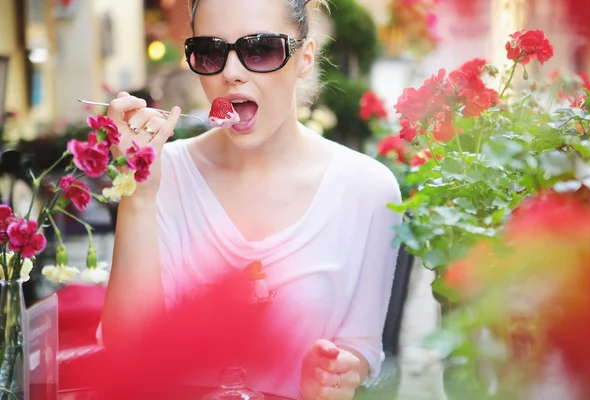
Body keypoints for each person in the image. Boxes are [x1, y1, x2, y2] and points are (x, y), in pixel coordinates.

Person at [101, 0, 402, 398]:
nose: (230, 73)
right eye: (210, 52)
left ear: (305, 57)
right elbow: (126, 355)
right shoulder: (161, 173)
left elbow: (363, 350)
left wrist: (338, 373)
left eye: (260, 49)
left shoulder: (368, 189)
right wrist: (138, 192)